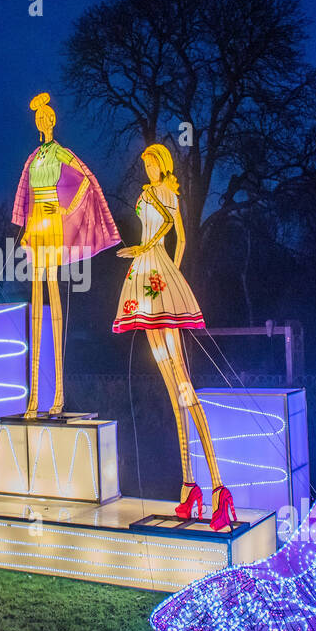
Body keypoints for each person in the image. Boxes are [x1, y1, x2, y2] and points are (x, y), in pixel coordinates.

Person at [112, 143, 235, 531]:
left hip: (154, 273)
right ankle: (188, 486)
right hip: (147, 278)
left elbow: (173, 232)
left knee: (184, 386)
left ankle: (218, 487)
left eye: (152, 162)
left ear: (161, 164)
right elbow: (175, 235)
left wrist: (166, 270)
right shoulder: (147, 193)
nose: (147, 168)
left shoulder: (166, 193)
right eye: (144, 163)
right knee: (172, 388)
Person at [11, 92, 119, 416]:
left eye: (46, 118)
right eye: (38, 119)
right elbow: (27, 197)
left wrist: (66, 206)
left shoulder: (59, 152)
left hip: (53, 221)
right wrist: (28, 227)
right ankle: (34, 397)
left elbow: (87, 180)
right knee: (35, 300)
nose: (42, 123)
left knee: (54, 297)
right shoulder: (33, 158)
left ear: (53, 120)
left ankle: (58, 392)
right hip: (37, 224)